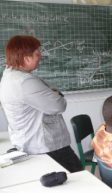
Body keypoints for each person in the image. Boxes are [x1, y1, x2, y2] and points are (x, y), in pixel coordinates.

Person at [0, 35, 82, 172]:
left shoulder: (9, 77)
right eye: (37, 53)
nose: (41, 56)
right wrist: (55, 93)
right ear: (26, 58)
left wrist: (52, 92)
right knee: (80, 179)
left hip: (30, 142)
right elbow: (59, 105)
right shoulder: (25, 82)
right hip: (47, 147)